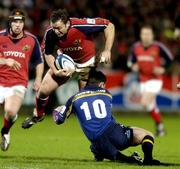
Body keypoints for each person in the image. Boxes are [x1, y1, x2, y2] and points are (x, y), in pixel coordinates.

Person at [22, 8, 115, 129]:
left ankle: (104, 128)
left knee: (85, 103)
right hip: (66, 64)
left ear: (67, 23)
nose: (56, 31)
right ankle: (39, 115)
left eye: (59, 28)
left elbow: (109, 26)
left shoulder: (81, 25)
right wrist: (56, 71)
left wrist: (107, 49)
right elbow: (48, 53)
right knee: (43, 90)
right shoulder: (50, 32)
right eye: (54, 28)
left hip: (86, 66)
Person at [52, 69, 160, 165]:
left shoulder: (74, 99)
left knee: (116, 154)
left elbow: (59, 120)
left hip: (98, 142)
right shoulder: (107, 94)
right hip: (115, 135)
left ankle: (98, 151)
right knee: (147, 134)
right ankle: (148, 159)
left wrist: (58, 112)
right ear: (101, 84)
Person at [0, 9, 44, 151]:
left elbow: (39, 61)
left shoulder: (31, 40)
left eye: (21, 21)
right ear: (10, 22)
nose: (18, 25)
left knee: (11, 112)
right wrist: (5, 61)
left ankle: (5, 131)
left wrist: (38, 79)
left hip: (18, 82)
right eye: (15, 21)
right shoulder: (0, 36)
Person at [128, 25, 173, 136]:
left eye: (148, 34)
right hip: (143, 80)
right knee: (149, 106)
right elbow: (130, 61)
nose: (146, 36)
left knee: (144, 102)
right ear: (141, 35)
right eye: (144, 34)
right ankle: (160, 127)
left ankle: (160, 127)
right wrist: (133, 66)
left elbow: (170, 59)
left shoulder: (158, 47)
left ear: (152, 35)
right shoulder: (136, 47)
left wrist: (163, 68)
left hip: (155, 80)